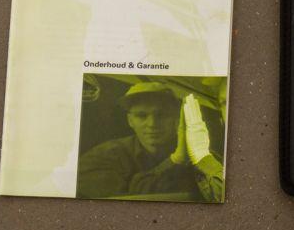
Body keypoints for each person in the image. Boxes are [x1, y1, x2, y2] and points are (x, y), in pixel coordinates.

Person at [77, 83, 224, 201]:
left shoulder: (199, 154)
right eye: (141, 116)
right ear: (130, 120)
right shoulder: (102, 157)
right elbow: (126, 201)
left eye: (162, 115)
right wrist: (176, 160)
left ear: (176, 119)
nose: (152, 124)